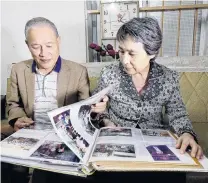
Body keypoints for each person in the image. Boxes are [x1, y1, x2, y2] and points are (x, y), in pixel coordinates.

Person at [6, 17, 108, 183]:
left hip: (64, 137)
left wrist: (95, 109)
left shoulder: (78, 71)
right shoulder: (18, 69)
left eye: (49, 45)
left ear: (58, 41)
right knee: (14, 167)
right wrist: (17, 119)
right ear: (27, 45)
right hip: (31, 134)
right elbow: (13, 104)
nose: (43, 53)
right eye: (35, 46)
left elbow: (85, 110)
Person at [93, 17, 203, 160]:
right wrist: (105, 119)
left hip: (155, 144)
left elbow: (178, 113)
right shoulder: (109, 74)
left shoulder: (168, 78)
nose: (125, 60)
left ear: (151, 53)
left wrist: (186, 133)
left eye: (132, 54)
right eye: (121, 51)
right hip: (118, 141)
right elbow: (96, 108)